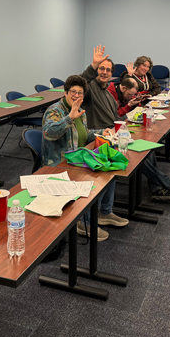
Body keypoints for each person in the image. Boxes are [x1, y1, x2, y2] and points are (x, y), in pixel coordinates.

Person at [81, 46, 170, 202]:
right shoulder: (90, 89)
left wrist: (129, 109)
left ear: (112, 74)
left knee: (147, 149)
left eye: (108, 70)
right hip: (99, 138)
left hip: (114, 134)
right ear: (97, 71)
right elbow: (77, 84)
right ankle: (168, 185)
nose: (104, 72)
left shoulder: (108, 95)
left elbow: (116, 116)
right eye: (101, 69)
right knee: (135, 155)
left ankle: (157, 188)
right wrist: (92, 66)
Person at [42, 75, 127, 241]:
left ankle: (104, 212)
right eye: (73, 91)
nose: (76, 95)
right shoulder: (55, 111)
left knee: (111, 167)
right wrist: (69, 118)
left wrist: (100, 132)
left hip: (78, 155)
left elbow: (83, 133)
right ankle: (84, 222)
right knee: (97, 176)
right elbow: (49, 133)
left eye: (80, 93)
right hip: (61, 163)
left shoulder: (80, 111)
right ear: (65, 92)